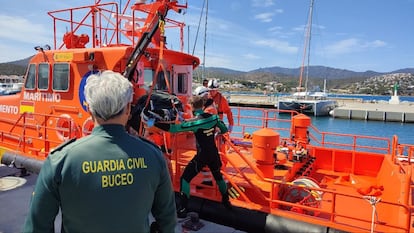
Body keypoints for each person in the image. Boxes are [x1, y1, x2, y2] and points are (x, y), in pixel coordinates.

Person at [23, 70, 176, 233]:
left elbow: (37, 226)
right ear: (127, 109)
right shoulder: (153, 156)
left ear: (89, 108)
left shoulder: (60, 161)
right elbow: (167, 219)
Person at [155, 95, 232, 218]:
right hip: (213, 154)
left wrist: (154, 122)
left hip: (202, 156)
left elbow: (174, 129)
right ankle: (226, 202)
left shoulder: (194, 122)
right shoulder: (214, 118)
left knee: (185, 179)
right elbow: (223, 129)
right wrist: (214, 132)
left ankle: (183, 208)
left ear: (192, 107)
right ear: (203, 105)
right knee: (218, 177)